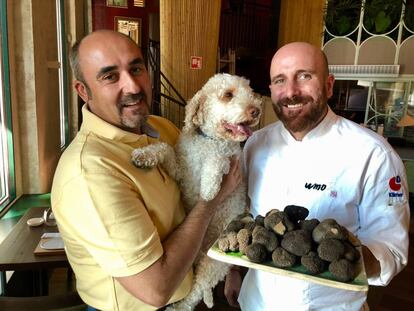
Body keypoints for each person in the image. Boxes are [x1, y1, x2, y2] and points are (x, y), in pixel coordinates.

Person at [51, 30, 241, 311]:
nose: (132, 86)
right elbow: (156, 289)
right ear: (83, 91)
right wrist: (211, 201)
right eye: (110, 76)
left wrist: (232, 266)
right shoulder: (90, 173)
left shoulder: (161, 128)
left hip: (194, 291)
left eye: (136, 68)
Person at [224, 42, 410, 310]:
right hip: (257, 301)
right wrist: (233, 270)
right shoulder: (255, 145)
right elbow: (244, 214)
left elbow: (391, 249)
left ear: (329, 85)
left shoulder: (373, 155)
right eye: (280, 80)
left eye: (305, 76)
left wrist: (344, 252)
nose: (290, 91)